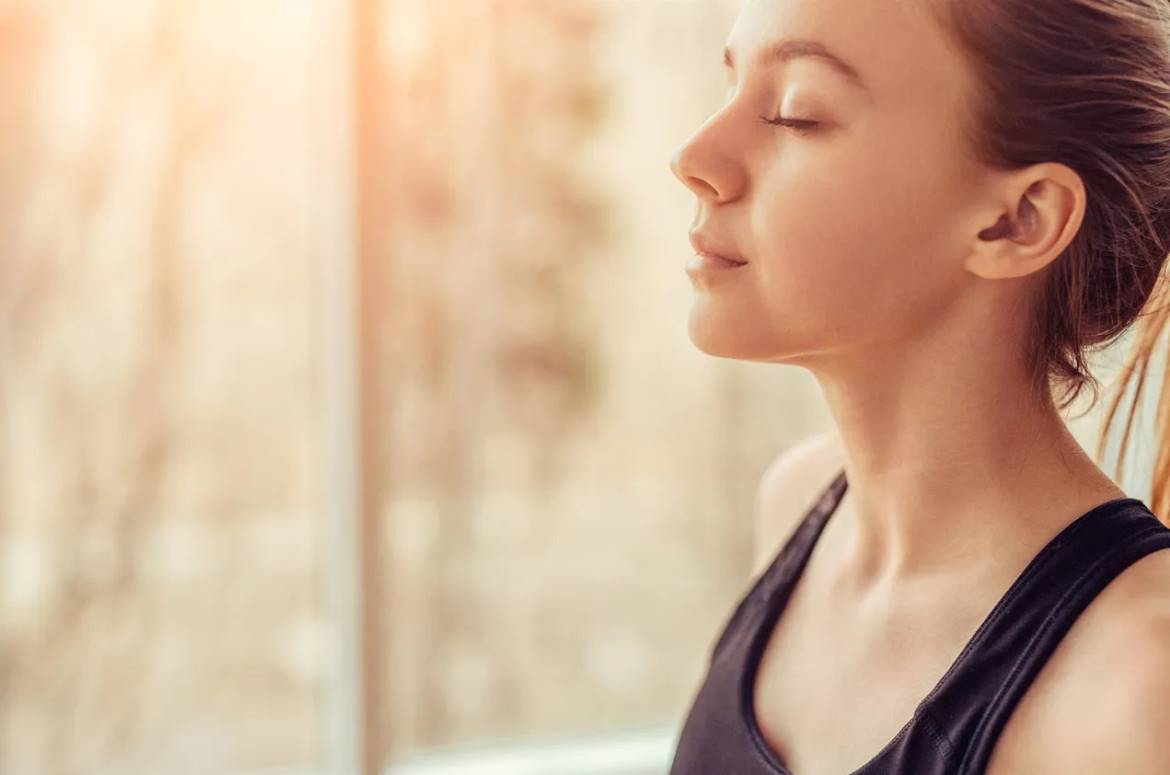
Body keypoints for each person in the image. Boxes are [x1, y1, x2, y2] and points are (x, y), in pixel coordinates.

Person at [666, 0, 1170, 773]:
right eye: (730, 84)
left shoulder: (1140, 682)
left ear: (1018, 219)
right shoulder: (798, 502)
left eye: (797, 113)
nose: (695, 155)